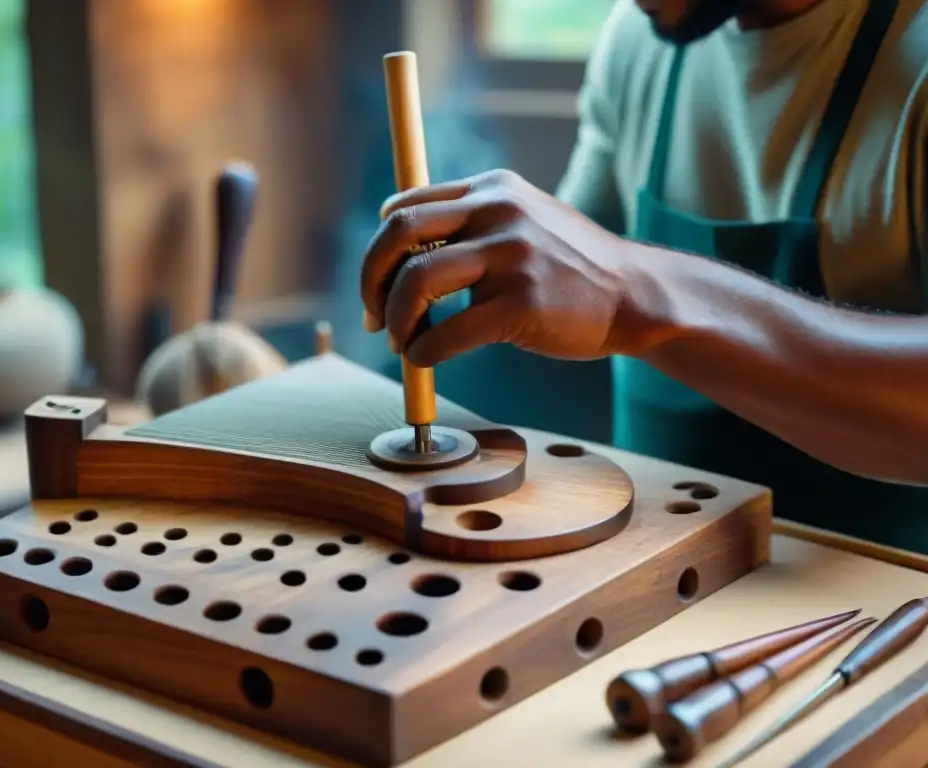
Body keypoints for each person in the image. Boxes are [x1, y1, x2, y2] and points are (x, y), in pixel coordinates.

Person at [358, 0, 928, 553]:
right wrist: (351, 408)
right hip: (649, 573)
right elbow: (544, 325)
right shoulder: (640, 42)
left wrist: (635, 297)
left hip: (880, 611)